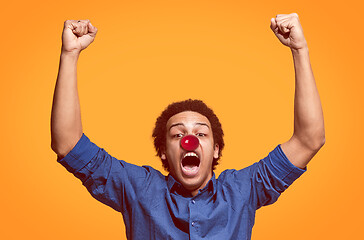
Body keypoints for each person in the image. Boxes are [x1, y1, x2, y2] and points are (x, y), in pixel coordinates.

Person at [51, 13, 325, 239]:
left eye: (201, 133)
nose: (188, 140)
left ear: (216, 149)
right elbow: (68, 144)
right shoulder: (138, 188)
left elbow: (309, 140)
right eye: (177, 134)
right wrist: (69, 53)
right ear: (162, 152)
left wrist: (299, 50)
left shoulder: (243, 189)